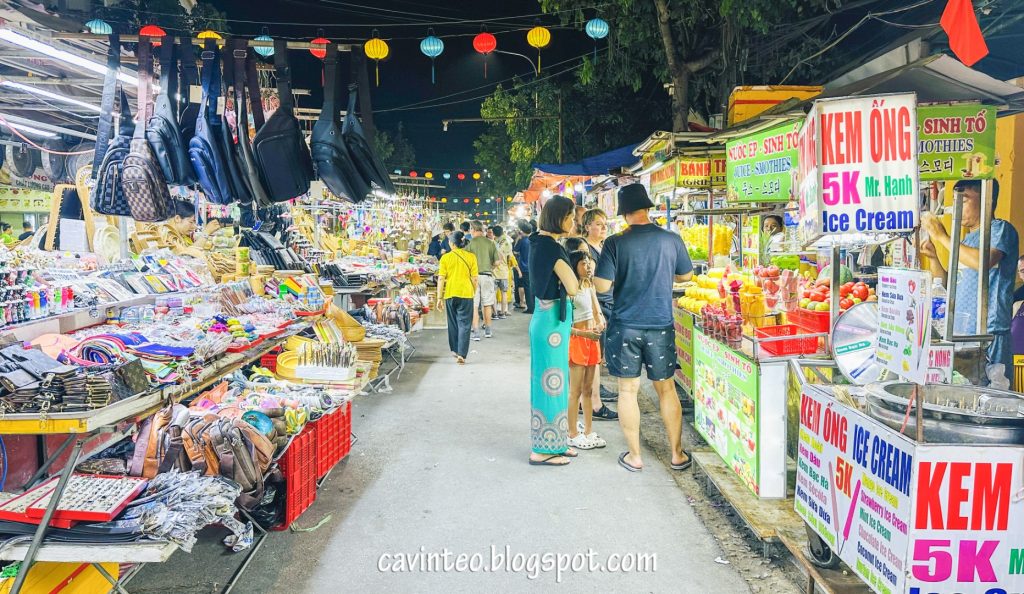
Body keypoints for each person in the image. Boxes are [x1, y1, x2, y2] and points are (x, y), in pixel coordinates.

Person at [595, 183, 693, 473]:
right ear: (648, 208)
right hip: (660, 324)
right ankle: (676, 454)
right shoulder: (671, 239)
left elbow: (601, 285)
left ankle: (635, 456)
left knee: (627, 390)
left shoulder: (615, 243)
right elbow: (686, 275)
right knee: (667, 389)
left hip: (625, 325)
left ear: (624, 213)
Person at [921, 179, 1018, 382]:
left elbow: (983, 262)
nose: (956, 206)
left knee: (990, 399)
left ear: (987, 200)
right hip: (961, 336)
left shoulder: (1000, 229)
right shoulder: (964, 242)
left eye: (963, 199)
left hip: (989, 336)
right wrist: (933, 257)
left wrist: (942, 237)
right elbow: (946, 284)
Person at [528, 195, 580, 466]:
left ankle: (556, 442)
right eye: (570, 216)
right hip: (550, 324)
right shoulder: (549, 247)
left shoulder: (540, 242)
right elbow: (572, 287)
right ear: (557, 217)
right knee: (552, 385)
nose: (573, 222)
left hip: (549, 322)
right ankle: (543, 449)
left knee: (557, 384)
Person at [567, 250, 608, 450]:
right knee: (575, 391)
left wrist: (600, 322)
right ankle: (572, 433)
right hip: (578, 340)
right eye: (583, 263)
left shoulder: (588, 284)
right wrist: (585, 334)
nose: (588, 266)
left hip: (593, 340)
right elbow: (564, 326)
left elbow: (596, 311)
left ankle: (588, 431)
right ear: (574, 266)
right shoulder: (569, 289)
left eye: (589, 262)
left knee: (589, 390)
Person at [582, 208, 620, 413]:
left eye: (605, 223)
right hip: (597, 303)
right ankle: (591, 399)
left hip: (609, 300)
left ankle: (596, 391)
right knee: (594, 354)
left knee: (599, 353)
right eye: (598, 223)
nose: (603, 227)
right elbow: (588, 282)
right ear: (587, 226)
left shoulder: (605, 246)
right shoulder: (586, 249)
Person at [436, 231, 478, 365]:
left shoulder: (445, 258)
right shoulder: (471, 257)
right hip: (466, 293)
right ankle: (462, 354)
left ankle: (454, 349)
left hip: (450, 293)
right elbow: (474, 278)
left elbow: (441, 278)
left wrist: (439, 298)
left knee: (453, 323)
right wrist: (474, 291)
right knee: (465, 324)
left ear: (452, 243)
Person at [466, 220, 499, 340]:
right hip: (487, 276)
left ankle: (475, 332)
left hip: (473, 278)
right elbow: (497, 262)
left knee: (474, 305)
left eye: (471, 229)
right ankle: (488, 330)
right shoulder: (490, 243)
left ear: (474, 230)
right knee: (487, 304)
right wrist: (490, 268)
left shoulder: (470, 244)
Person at [491, 225, 514, 319]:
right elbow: (510, 257)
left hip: (494, 272)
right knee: (504, 293)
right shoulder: (508, 242)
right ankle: (503, 313)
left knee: (493, 293)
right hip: (504, 271)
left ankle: (495, 313)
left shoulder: (493, 243)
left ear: (493, 233)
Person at [514, 220, 534, 314]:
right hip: (532, 267)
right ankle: (532, 306)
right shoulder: (532, 239)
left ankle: (530, 308)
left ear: (522, 230)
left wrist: (518, 238)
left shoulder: (522, 240)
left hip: (524, 267)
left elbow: (515, 251)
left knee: (527, 288)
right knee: (531, 287)